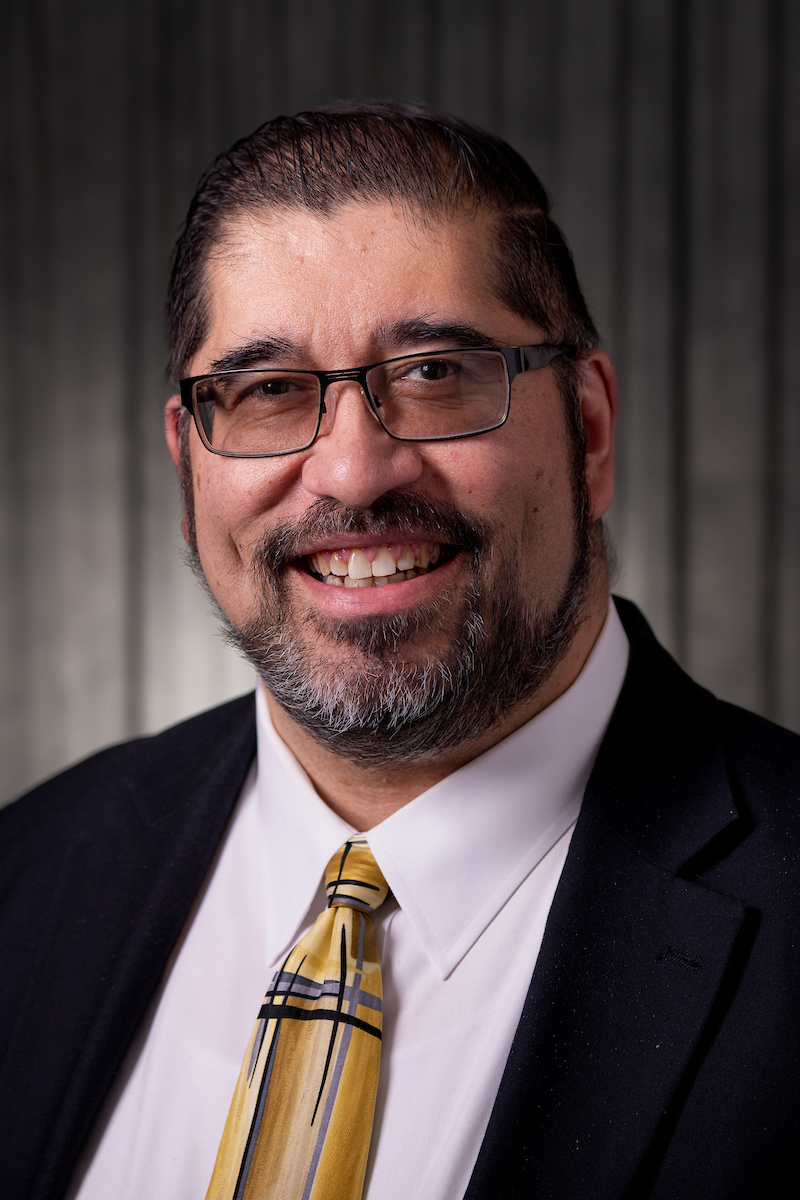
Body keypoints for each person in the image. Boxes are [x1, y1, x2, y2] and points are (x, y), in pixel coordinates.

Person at [1, 101, 798, 1200]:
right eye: (268, 391)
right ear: (188, 469)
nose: (352, 473)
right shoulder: (28, 876)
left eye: (434, 374)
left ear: (587, 429)